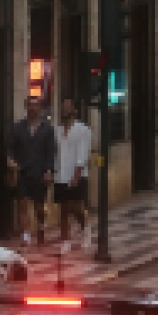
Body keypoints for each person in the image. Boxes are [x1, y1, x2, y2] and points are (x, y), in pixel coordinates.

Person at [7, 95, 56, 246]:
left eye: (35, 105)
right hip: (22, 171)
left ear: (40, 108)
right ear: (26, 107)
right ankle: (26, 236)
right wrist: (10, 159)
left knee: (39, 207)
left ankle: (41, 227)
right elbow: (10, 148)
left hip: (40, 172)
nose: (33, 108)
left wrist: (49, 171)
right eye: (30, 105)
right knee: (22, 204)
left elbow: (51, 152)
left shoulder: (48, 129)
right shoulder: (17, 128)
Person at [54, 97, 92, 250]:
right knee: (63, 209)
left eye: (68, 107)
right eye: (63, 107)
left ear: (75, 110)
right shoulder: (57, 131)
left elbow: (83, 154)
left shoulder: (83, 130)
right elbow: (55, 154)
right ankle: (65, 241)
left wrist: (76, 175)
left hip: (77, 174)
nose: (65, 109)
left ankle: (85, 229)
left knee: (76, 207)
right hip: (60, 175)